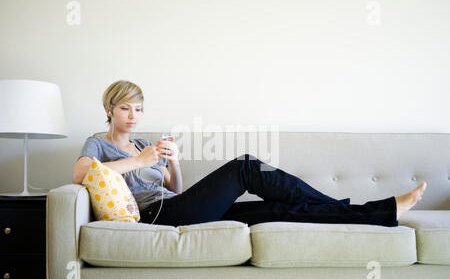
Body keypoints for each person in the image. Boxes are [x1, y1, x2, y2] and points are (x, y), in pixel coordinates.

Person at [72, 80, 427, 227]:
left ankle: (379, 213)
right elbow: (80, 175)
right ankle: (365, 208)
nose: (133, 117)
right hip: (155, 215)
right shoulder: (97, 143)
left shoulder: (143, 144)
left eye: (138, 110)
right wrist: (140, 162)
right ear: (109, 110)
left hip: (174, 204)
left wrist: (172, 160)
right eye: (125, 109)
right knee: (245, 167)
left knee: (278, 211)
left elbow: (177, 189)